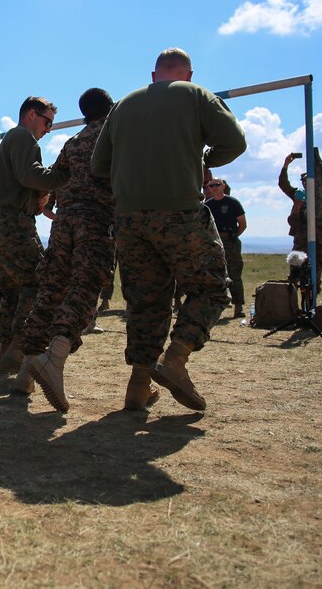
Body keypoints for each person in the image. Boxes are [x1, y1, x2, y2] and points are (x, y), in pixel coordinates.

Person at [91, 48, 245, 413]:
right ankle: (175, 359)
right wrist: (203, 160)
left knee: (146, 302)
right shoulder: (195, 94)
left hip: (129, 220)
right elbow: (235, 142)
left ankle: (138, 386)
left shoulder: (124, 105)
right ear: (188, 74)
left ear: (153, 74)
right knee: (210, 289)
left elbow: (99, 165)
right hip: (179, 212)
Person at [18, 88, 116, 409]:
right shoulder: (113, 135)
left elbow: (54, 182)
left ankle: (25, 372)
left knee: (52, 290)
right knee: (85, 289)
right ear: (110, 108)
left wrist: (50, 208)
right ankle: (54, 359)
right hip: (96, 222)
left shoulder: (72, 143)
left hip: (62, 225)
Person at [0, 96, 70, 375]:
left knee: (15, 292)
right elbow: (31, 176)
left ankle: (6, 355)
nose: (49, 128)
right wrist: (64, 175)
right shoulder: (23, 137)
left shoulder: (13, 139)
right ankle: (17, 350)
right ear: (31, 114)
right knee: (41, 281)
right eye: (47, 121)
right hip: (11, 225)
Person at [279, 150, 322, 282]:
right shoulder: (299, 197)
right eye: (303, 181)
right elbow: (283, 184)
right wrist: (286, 165)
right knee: (296, 276)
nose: (306, 183)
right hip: (301, 243)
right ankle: (299, 301)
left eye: (308, 181)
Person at [204, 178, 246, 318]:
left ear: (223, 186)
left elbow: (242, 224)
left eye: (217, 185)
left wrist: (232, 237)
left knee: (234, 273)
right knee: (213, 274)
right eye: (211, 185)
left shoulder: (233, 203)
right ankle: (212, 307)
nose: (214, 187)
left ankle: (238, 307)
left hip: (230, 241)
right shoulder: (207, 206)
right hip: (213, 242)